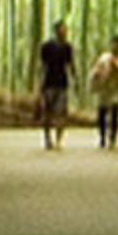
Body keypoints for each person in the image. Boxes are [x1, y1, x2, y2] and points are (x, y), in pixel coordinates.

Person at [34, 21, 76, 149]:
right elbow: (42, 66)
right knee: (48, 112)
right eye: (62, 29)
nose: (64, 32)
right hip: (48, 83)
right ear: (56, 31)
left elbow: (71, 64)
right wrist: (38, 84)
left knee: (61, 112)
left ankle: (58, 139)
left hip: (62, 83)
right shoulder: (47, 46)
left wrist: (75, 79)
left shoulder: (67, 47)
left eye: (65, 30)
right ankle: (47, 138)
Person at [89, 33, 118, 148]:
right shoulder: (104, 57)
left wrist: (115, 65)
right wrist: (97, 74)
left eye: (117, 45)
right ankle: (102, 137)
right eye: (113, 44)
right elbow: (97, 69)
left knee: (114, 112)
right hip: (104, 88)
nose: (114, 47)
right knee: (101, 113)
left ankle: (112, 136)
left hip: (117, 88)